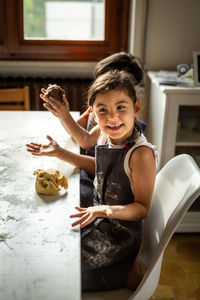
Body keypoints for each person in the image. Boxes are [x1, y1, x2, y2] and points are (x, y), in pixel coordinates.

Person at [26, 70, 157, 291]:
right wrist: (59, 152)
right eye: (103, 110)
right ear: (93, 114)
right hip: (99, 211)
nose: (112, 117)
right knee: (54, 220)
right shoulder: (106, 134)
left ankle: (123, 273)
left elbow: (142, 209)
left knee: (60, 267)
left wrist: (107, 210)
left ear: (136, 108)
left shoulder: (141, 154)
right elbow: (100, 165)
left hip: (119, 233)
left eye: (121, 107)